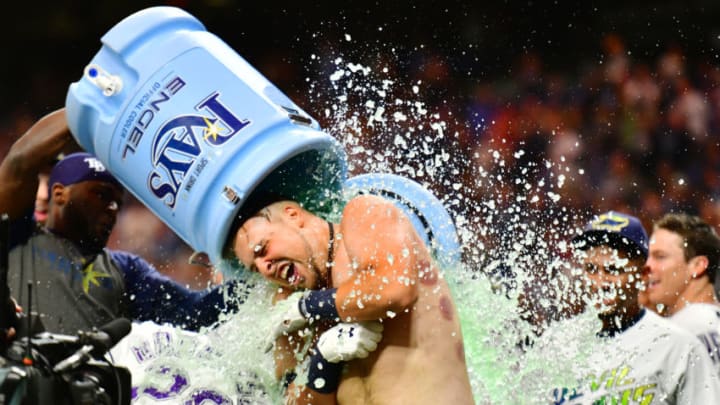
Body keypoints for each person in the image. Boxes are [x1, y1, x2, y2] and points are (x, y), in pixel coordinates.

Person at [0, 108, 243, 336]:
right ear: (60, 194)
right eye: (100, 195)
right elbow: (20, 161)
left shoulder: (125, 270)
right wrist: (96, 105)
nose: (113, 208)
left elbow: (195, 312)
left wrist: (254, 285)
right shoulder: (16, 238)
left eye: (118, 202)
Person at [228, 193, 474, 404]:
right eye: (254, 267)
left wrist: (309, 307)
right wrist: (323, 362)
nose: (264, 268)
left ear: (293, 216)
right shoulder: (286, 309)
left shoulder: (364, 213)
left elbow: (395, 289)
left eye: (262, 249)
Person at [551, 210, 720, 403]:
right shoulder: (556, 344)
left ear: (643, 274)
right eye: (591, 269)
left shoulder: (677, 346)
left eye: (613, 270)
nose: (600, 282)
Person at [642, 212, 720, 371]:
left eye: (660, 257)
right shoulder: (710, 322)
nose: (647, 266)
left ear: (697, 265)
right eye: (648, 257)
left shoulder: (684, 329)